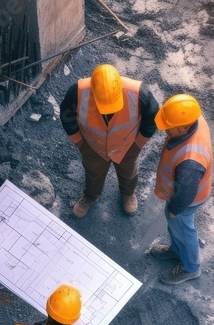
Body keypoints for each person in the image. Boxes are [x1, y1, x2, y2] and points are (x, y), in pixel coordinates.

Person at [61, 63, 160, 217]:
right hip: (92, 146)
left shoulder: (138, 93)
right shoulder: (78, 92)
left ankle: (128, 194)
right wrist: (80, 144)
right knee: (93, 172)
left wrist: (137, 145)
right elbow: (67, 117)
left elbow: (152, 119)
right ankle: (90, 195)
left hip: (127, 146)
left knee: (128, 171)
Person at [149, 94, 212, 284]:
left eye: (169, 127)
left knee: (184, 230)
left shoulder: (190, 161)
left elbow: (186, 193)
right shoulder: (195, 119)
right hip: (184, 193)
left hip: (186, 201)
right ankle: (176, 251)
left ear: (183, 127)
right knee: (177, 228)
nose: (165, 130)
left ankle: (191, 268)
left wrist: (175, 210)